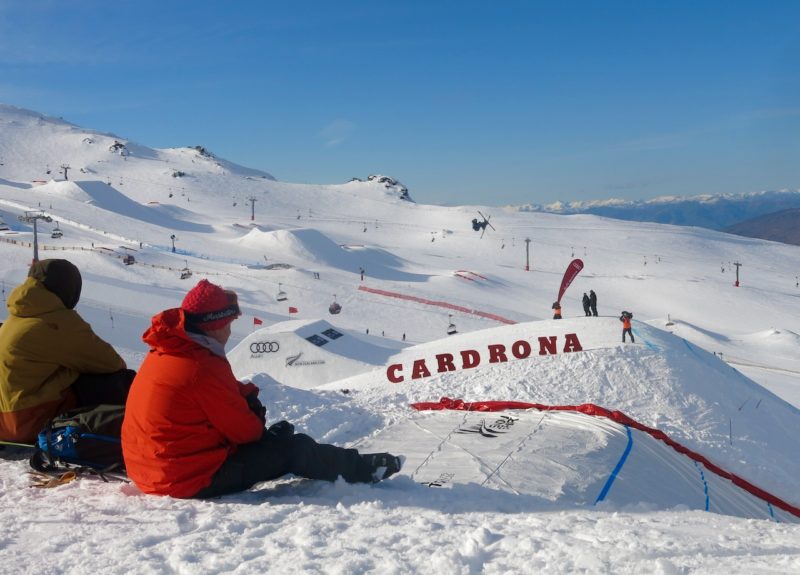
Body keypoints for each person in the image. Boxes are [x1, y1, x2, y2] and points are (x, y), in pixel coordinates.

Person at [122, 279, 402, 499]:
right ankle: (362, 468)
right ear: (216, 325)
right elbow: (247, 433)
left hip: (149, 471)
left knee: (276, 439)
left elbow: (213, 401)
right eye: (229, 323)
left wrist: (244, 402)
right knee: (295, 449)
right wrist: (255, 412)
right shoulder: (201, 366)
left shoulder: (168, 351)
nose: (231, 331)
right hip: (186, 479)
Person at [0, 259, 134, 443]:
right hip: (28, 422)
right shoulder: (57, 321)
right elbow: (112, 363)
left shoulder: (17, 316)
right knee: (122, 381)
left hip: (4, 423)